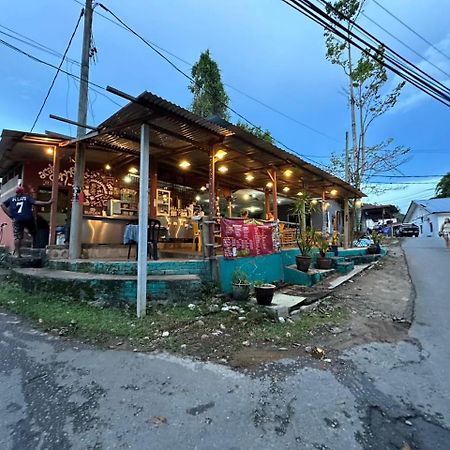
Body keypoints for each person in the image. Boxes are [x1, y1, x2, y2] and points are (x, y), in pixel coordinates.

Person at [1, 186, 53, 257]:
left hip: (17, 219)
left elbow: (2, 205)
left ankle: (17, 254)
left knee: (17, 237)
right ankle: (33, 246)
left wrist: (10, 215)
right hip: (28, 219)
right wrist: (47, 203)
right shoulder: (27, 197)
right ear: (23, 192)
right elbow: (36, 202)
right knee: (34, 232)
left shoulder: (11, 199)